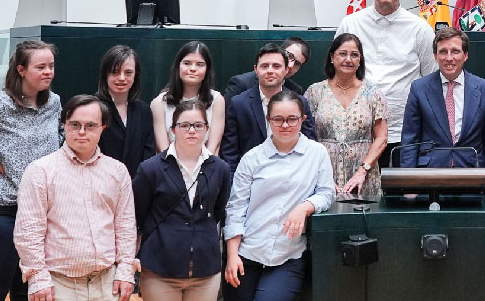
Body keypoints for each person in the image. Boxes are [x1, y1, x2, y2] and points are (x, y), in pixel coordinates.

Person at [14, 95, 138, 301]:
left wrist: (126, 270)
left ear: (102, 128)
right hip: (57, 286)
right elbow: (28, 232)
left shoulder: (117, 171)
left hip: (107, 284)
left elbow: (125, 226)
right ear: (64, 126)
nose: (82, 132)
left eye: (90, 125)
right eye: (75, 125)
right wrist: (38, 278)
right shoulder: (40, 171)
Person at [223, 91, 335, 301]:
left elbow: (327, 193)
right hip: (246, 252)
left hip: (288, 255)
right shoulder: (252, 158)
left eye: (292, 119)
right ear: (268, 120)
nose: (285, 125)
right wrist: (231, 256)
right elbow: (235, 208)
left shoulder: (317, 153)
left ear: (303, 119)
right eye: (278, 119)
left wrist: (305, 207)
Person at [336, 0, 436, 166]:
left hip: (403, 129)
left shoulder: (420, 28)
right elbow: (337, 72)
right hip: (358, 127)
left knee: (402, 195)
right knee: (360, 195)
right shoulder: (351, 23)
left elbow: (431, 79)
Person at [0, 40, 61, 301]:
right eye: (41, 67)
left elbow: (61, 137)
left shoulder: (54, 103)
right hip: (2, 208)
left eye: (51, 66)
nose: (48, 71)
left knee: (28, 290)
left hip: (40, 211)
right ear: (21, 70)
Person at [132, 100, 232, 301]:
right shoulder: (151, 169)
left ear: (207, 129)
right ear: (173, 130)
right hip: (159, 270)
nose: (191, 131)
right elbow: (138, 215)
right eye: (184, 125)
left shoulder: (220, 169)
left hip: (205, 271)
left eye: (198, 125)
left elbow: (218, 212)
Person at [401, 27, 485, 194]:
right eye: (443, 52)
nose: (449, 58)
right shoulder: (419, 89)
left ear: (466, 55)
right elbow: (410, 140)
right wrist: (409, 186)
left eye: (455, 51)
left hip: (473, 176)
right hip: (429, 177)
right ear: (435, 56)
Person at [304, 34, 387, 198]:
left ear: (360, 60)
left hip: (364, 176)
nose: (348, 59)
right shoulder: (314, 92)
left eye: (354, 55)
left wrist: (363, 171)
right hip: (321, 172)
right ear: (332, 57)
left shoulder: (373, 93)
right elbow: (304, 137)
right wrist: (321, 174)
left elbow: (381, 138)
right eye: (343, 53)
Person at [222, 44, 316, 173]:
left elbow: (311, 147)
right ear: (256, 69)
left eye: (276, 66)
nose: (270, 71)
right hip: (250, 179)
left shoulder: (300, 102)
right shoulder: (239, 104)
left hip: (294, 178)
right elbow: (229, 154)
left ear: (286, 70)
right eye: (264, 66)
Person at [151, 41, 225, 154]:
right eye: (187, 63)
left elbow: (213, 149)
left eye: (200, 64)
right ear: (178, 66)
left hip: (207, 167)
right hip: (168, 168)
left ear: (207, 70)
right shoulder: (159, 103)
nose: (193, 69)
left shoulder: (217, 101)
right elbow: (163, 151)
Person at [95, 45, 155, 177]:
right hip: (100, 185)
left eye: (128, 72)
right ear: (105, 74)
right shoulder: (93, 108)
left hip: (137, 187)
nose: (122, 78)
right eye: (115, 72)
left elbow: (148, 155)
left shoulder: (144, 111)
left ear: (135, 75)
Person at [224, 37, 310, 103]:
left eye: (297, 64)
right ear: (279, 51)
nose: (290, 65)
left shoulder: (295, 91)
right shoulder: (240, 84)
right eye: (290, 56)